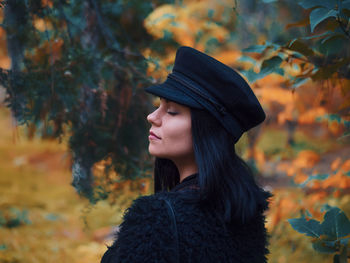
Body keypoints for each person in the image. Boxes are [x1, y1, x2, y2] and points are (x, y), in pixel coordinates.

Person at [100, 46, 272, 263]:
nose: (152, 116)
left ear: (206, 130)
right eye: (159, 106)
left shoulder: (157, 219)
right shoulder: (244, 211)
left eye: (172, 111)